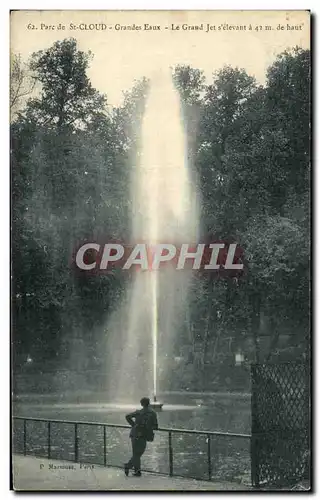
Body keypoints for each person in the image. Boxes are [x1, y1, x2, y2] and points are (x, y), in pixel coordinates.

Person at [124, 397, 158, 477]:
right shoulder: (152, 413)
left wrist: (134, 425)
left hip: (135, 434)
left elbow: (127, 416)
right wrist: (147, 427)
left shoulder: (138, 412)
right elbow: (156, 426)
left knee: (136, 453)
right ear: (149, 403)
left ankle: (131, 467)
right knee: (138, 453)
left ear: (141, 404)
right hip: (143, 435)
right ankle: (136, 470)